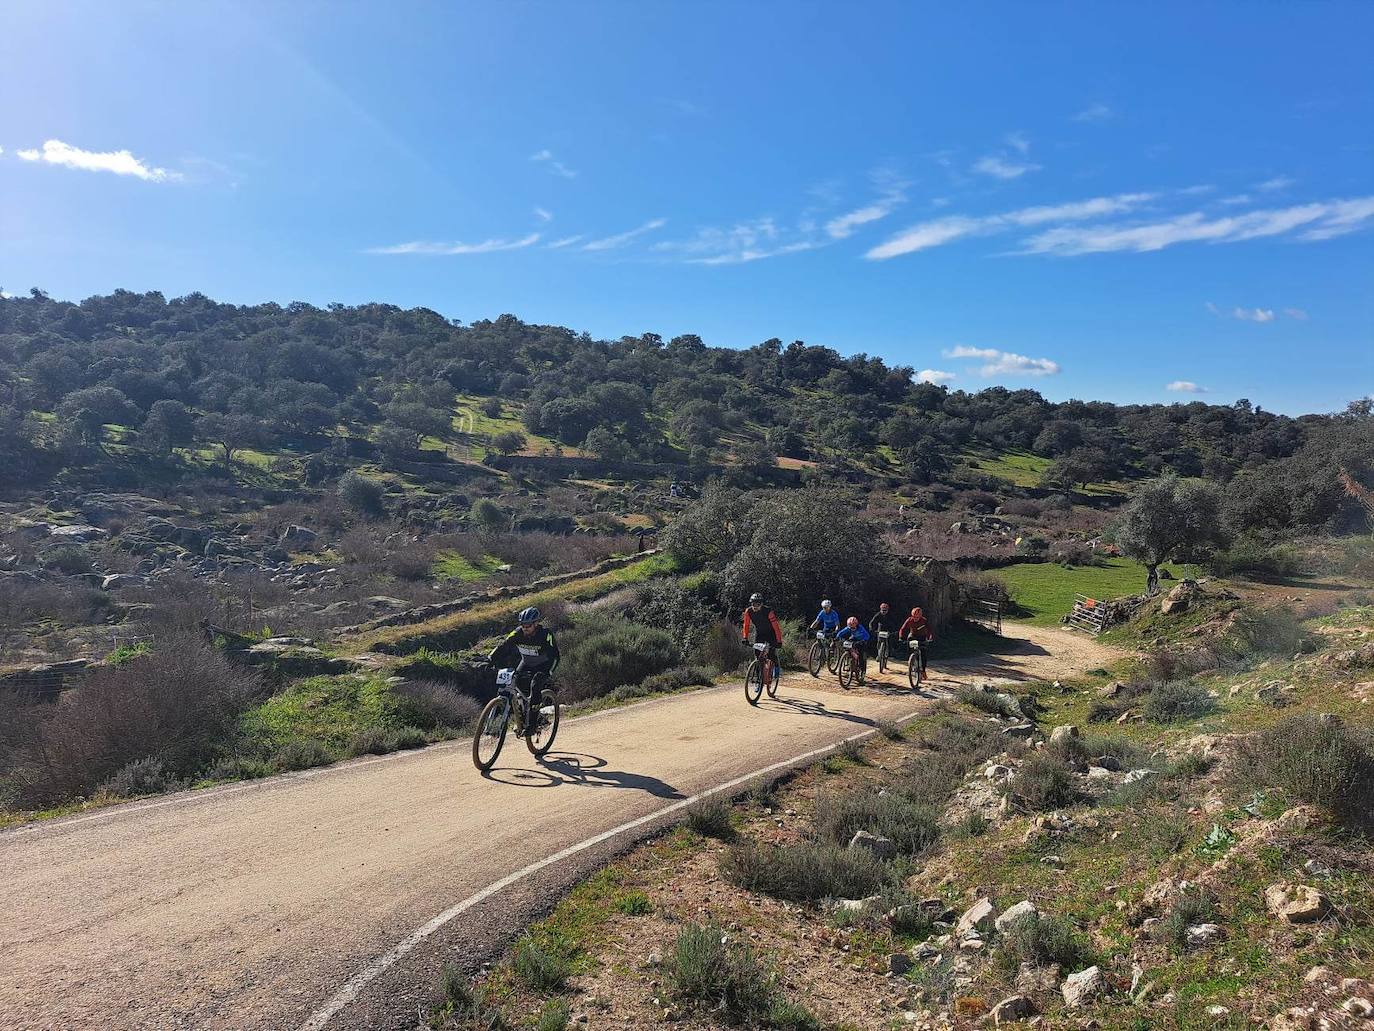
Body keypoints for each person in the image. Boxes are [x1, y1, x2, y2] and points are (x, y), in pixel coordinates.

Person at [487, 606, 561, 730]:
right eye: (523, 625)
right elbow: (503, 645)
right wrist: (490, 657)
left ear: (536, 623)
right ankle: (524, 715)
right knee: (514, 686)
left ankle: (532, 724)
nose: (525, 628)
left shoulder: (545, 634)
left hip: (543, 665)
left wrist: (549, 671)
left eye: (528, 625)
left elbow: (555, 656)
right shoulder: (517, 633)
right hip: (526, 662)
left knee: (535, 685)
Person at [741, 592, 783, 690]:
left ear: (761, 604)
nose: (755, 606)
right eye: (753, 604)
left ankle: (776, 668)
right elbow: (746, 625)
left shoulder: (768, 611)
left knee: (771, 654)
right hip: (760, 634)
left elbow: (776, 627)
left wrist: (779, 641)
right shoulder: (748, 611)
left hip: (771, 634)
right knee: (758, 657)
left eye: (757, 604)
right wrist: (745, 637)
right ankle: (758, 682)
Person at [900, 606, 933, 675]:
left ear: (920, 616)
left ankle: (923, 670)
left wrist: (930, 638)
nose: (915, 619)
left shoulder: (924, 620)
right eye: (914, 617)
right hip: (913, 635)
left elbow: (929, 630)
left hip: (922, 637)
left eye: (917, 617)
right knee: (909, 644)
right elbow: (903, 629)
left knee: (923, 653)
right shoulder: (909, 620)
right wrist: (901, 637)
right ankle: (911, 661)